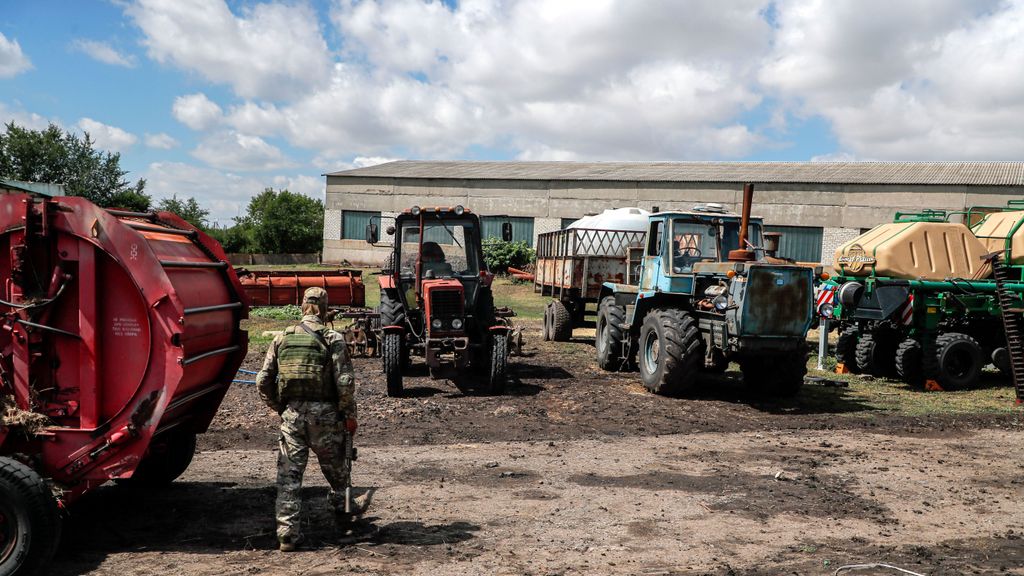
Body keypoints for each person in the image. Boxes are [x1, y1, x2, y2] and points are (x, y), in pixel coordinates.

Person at [256, 287, 358, 552]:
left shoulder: (282, 337)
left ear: (302, 306)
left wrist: (280, 407)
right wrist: (349, 415)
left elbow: (262, 380)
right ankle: (344, 509)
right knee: (338, 469)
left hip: (292, 416)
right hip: (326, 417)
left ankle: (287, 535)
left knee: (289, 477)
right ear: (325, 308)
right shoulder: (332, 337)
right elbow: (345, 382)